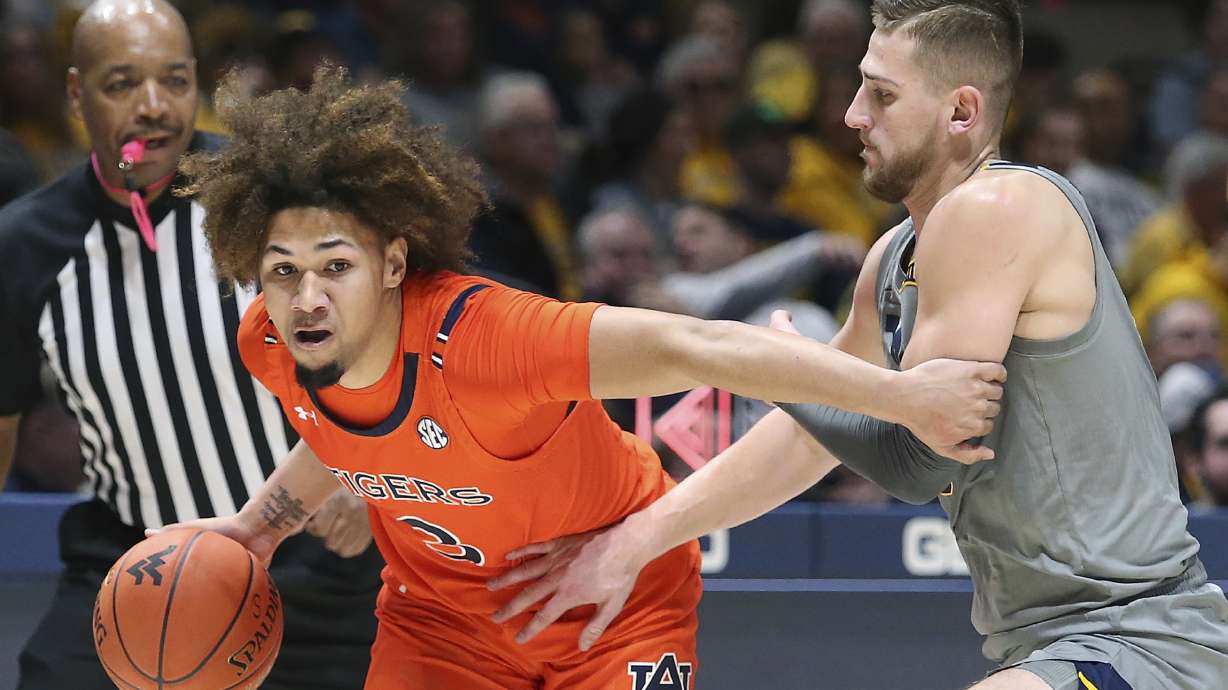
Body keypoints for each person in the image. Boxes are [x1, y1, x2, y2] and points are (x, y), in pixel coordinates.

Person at [156, 65, 1004, 689]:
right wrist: (260, 528)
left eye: (333, 266)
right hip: (442, 624)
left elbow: (699, 344)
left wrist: (904, 397)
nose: (305, 297)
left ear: (391, 262)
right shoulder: (272, 344)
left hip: (613, 599)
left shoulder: (492, 339)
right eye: (280, 272)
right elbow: (338, 433)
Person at [489, 2, 1228, 689]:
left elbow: (916, 459)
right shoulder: (895, 257)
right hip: (1047, 647)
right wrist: (638, 538)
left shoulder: (999, 207)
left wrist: (773, 366)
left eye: (881, 95)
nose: (851, 115)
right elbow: (812, 440)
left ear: (961, 111)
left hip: (1143, 639)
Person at [0, 2, 381, 688]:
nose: (155, 106)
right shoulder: (23, 247)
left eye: (174, 81)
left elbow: (390, 347)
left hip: (315, 568)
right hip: (134, 567)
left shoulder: (276, 196)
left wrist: (366, 475)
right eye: (122, 84)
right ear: (76, 94)